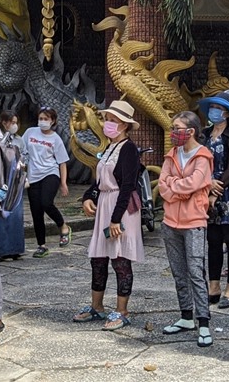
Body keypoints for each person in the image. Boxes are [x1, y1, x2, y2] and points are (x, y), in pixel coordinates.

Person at [74, 100, 144, 331]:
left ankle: (122, 310)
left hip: (120, 207)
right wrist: (88, 197)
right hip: (104, 203)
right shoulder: (109, 148)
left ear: (124, 125)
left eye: (113, 121)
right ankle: (97, 306)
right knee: (99, 258)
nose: (108, 124)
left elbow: (127, 186)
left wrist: (116, 218)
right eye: (108, 120)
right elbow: (98, 180)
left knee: (120, 258)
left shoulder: (129, 149)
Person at [159, 110, 214, 348]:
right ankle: (185, 316)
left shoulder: (203, 156)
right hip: (170, 221)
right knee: (178, 271)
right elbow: (162, 184)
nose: (173, 132)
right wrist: (178, 188)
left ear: (190, 131)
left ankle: (203, 322)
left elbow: (197, 182)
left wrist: (175, 186)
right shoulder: (172, 154)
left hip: (194, 222)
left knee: (196, 271)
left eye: (177, 128)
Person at [198, 93, 229, 308]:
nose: (214, 111)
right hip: (205, 189)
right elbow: (196, 161)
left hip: (228, 194)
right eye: (212, 107)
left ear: (227, 112)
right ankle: (214, 285)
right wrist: (206, 182)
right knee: (213, 241)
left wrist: (216, 189)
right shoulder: (204, 135)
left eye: (219, 108)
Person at [22, 107, 71, 258]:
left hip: (50, 173)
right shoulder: (30, 133)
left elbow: (62, 163)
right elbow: (22, 152)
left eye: (46, 119)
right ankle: (41, 245)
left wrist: (63, 183)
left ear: (53, 121)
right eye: (41, 118)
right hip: (33, 175)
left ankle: (63, 226)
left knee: (46, 203)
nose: (43, 122)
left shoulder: (55, 139)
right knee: (36, 211)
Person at [0, 111, 25, 261]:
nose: (14, 126)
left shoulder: (19, 141)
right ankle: (2, 249)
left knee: (16, 216)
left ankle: (16, 248)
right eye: (12, 122)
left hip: (17, 181)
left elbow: (25, 157)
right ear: (4, 123)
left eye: (16, 122)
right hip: (2, 180)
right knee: (1, 214)